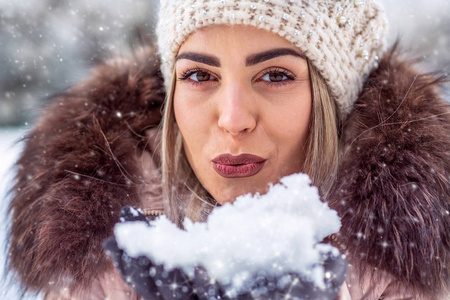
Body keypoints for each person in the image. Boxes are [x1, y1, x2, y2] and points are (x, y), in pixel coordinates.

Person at [6, 0, 450, 299]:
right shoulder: (99, 269)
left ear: (337, 100)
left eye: (275, 75)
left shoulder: (409, 271)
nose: (233, 118)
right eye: (200, 76)